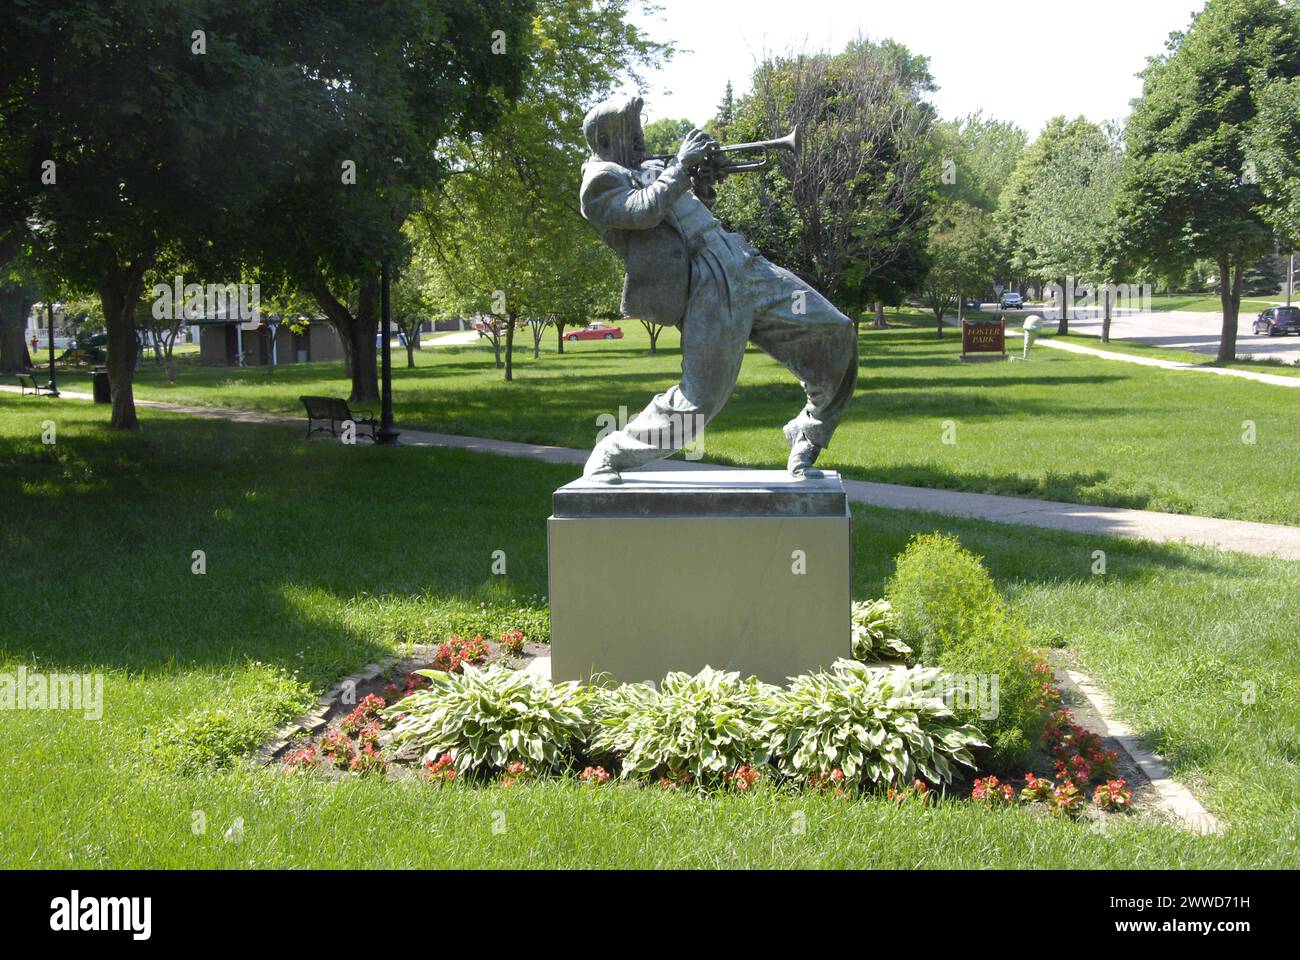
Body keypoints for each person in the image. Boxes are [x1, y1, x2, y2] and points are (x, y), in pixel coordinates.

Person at [577, 96, 857, 483]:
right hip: (706, 281)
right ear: (606, 141)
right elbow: (645, 210)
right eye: (632, 132)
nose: (641, 139)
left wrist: (702, 183)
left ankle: (809, 431)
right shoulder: (599, 182)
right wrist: (679, 166)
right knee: (700, 399)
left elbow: (688, 208)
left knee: (834, 330)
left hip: (739, 257)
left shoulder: (647, 166)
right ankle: (611, 453)